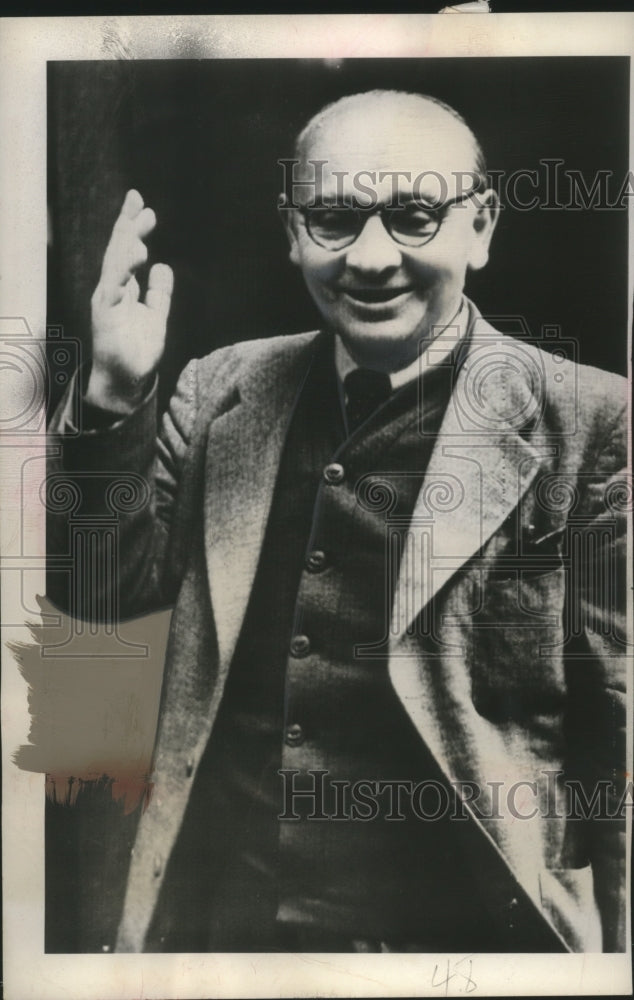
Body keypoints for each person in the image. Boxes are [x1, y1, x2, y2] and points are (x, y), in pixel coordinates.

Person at [48, 90, 628, 954]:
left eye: (414, 215)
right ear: (291, 232)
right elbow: (103, 611)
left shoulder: (590, 422)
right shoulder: (219, 391)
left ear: (481, 227)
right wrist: (113, 399)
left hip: (466, 949)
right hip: (223, 939)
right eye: (335, 218)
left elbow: (620, 732)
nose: (370, 257)